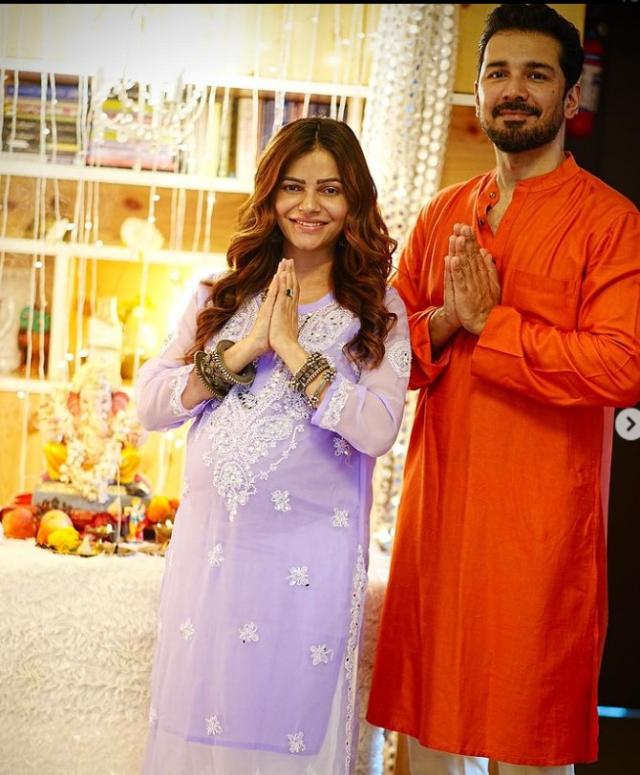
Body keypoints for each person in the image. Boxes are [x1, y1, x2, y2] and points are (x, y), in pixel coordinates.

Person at [367, 4, 640, 775]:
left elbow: (621, 365)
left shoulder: (611, 224)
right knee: (427, 746)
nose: (513, 90)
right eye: (498, 73)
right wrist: (449, 320)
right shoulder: (442, 216)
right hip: (440, 529)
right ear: (481, 90)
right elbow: (386, 356)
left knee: (529, 746)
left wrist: (495, 325)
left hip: (539, 540)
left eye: (535, 75)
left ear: (570, 96)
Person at [135, 117, 410, 774]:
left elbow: (377, 429)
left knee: (290, 734)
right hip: (213, 559)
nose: (309, 205)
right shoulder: (219, 295)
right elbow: (150, 401)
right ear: (269, 194)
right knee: (199, 729)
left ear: (354, 201)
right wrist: (245, 347)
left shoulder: (377, 310)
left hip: (307, 568)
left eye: (330, 189)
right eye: (293, 186)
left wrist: (291, 349)